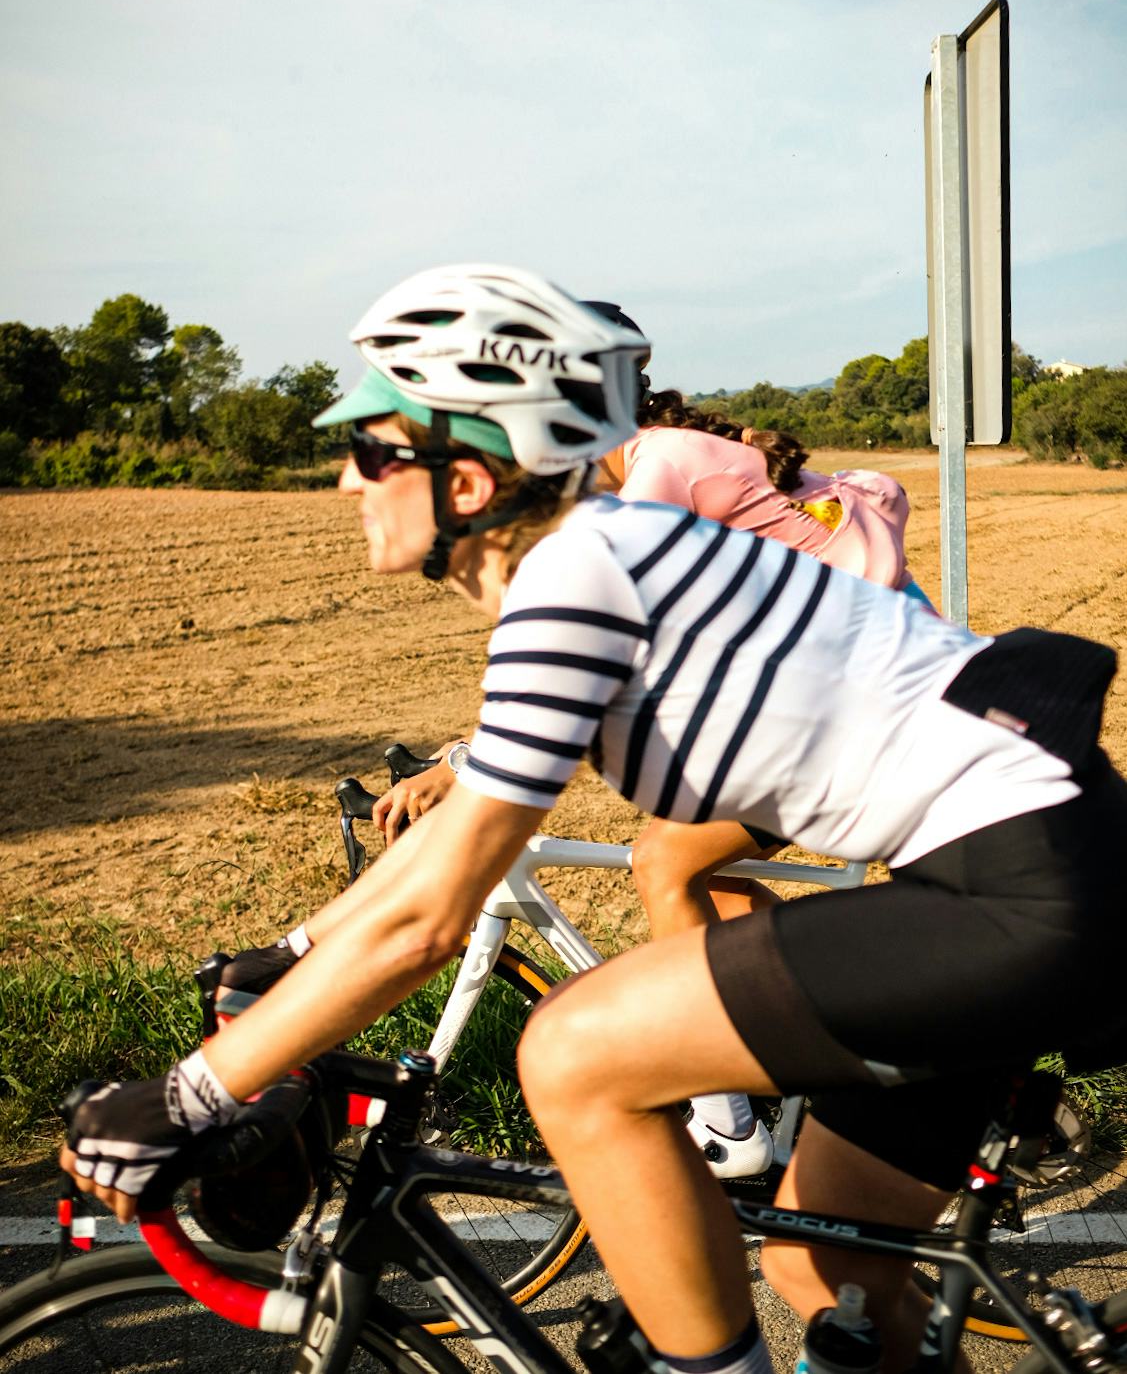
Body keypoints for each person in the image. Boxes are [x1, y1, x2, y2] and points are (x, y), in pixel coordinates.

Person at [61, 264, 1126, 1374]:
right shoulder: (602, 558)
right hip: (1039, 871)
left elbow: (431, 917)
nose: (345, 480)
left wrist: (185, 1098)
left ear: (464, 482)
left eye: (372, 450)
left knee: (571, 1052)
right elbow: (457, 834)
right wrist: (291, 952)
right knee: (827, 1270)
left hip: (1012, 891)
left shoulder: (581, 571)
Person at [375, 298, 935, 1174]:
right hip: (832, 705)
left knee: (663, 862)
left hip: (869, 714)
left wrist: (469, 763)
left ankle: (728, 1124)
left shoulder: (658, 468)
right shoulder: (650, 464)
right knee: (723, 887)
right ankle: (827, 1053)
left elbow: (599, 634)